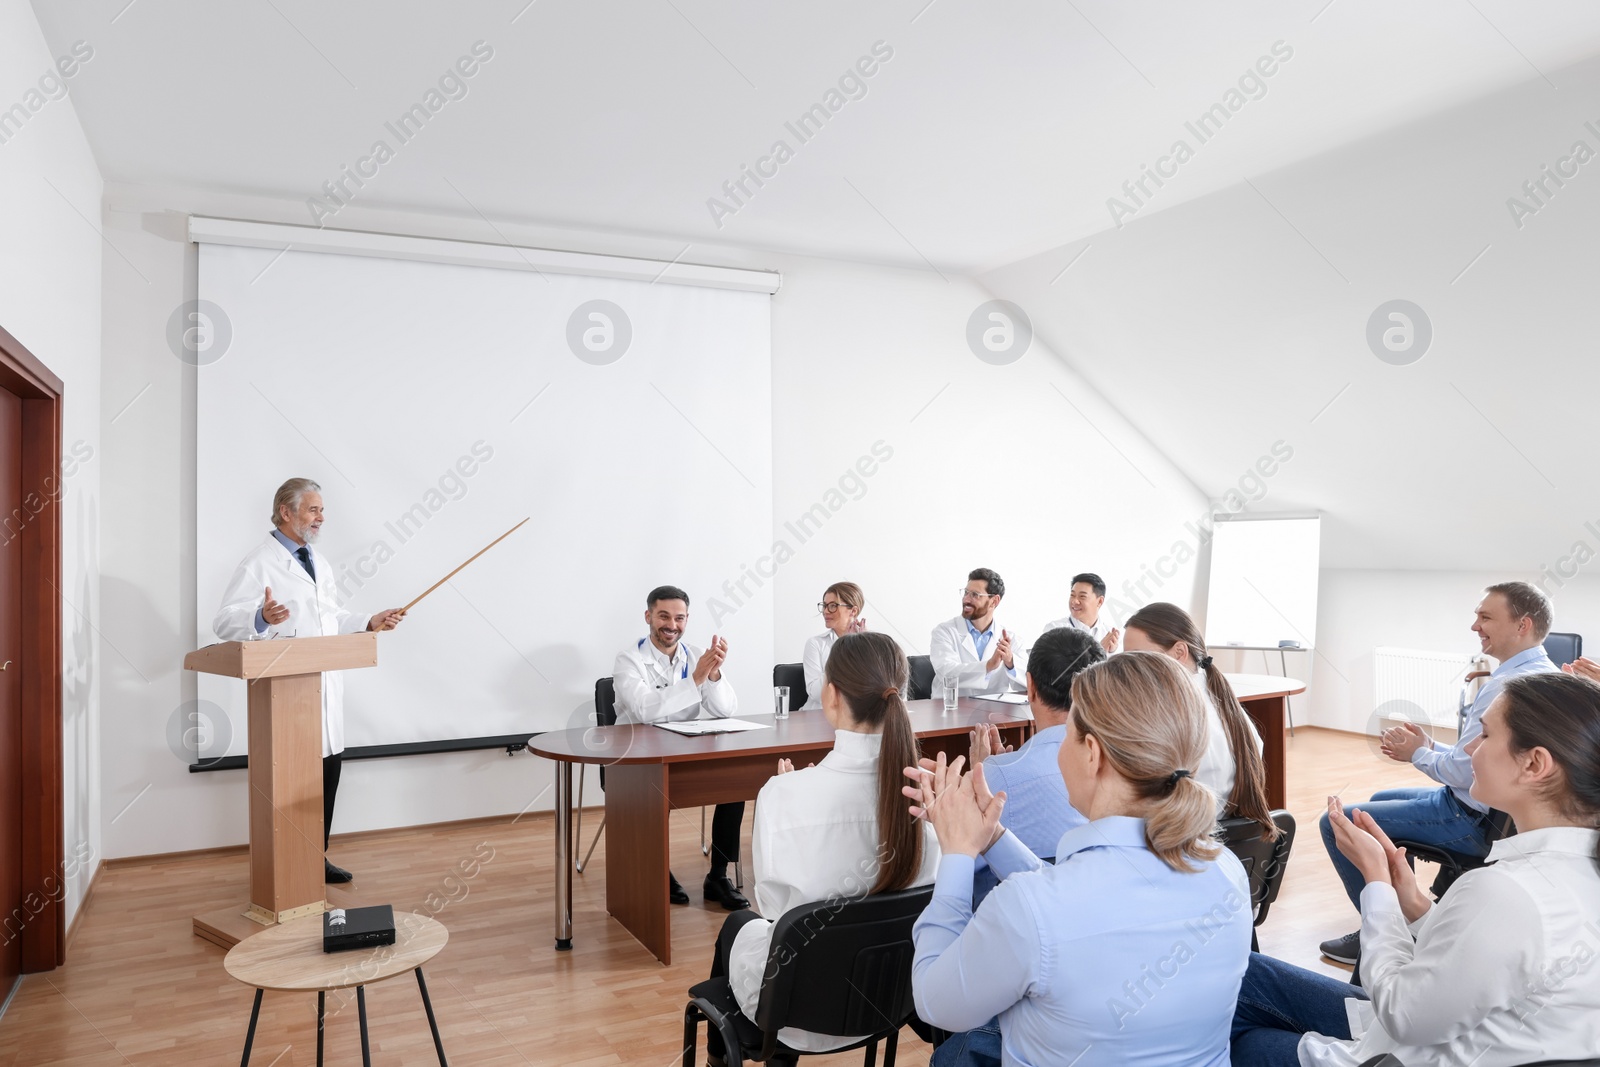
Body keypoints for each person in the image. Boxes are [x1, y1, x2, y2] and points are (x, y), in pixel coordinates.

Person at [1231, 672, 1600, 1066]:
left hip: (1400, 1049)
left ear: (1534, 763)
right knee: (1243, 973)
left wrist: (1378, 887)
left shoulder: (1507, 891)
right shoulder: (1567, 874)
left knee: (1232, 1023)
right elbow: (1492, 960)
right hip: (1443, 1034)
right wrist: (1415, 905)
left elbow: (1403, 1016)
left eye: (1485, 735)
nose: (1471, 747)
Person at [908, 652, 1253, 1067]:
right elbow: (1073, 910)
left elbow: (935, 1001)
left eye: (1066, 733)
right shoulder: (1228, 871)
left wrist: (958, 853)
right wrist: (992, 837)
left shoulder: (1031, 908)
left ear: (1092, 752)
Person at [707, 631, 939, 1054]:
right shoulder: (929, 798)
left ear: (830, 696)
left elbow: (776, 911)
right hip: (892, 1003)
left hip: (795, 1014)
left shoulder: (782, 795)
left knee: (738, 924)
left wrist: (785, 794)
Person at [1314, 581, 1558, 965]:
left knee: (1340, 822)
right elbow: (1475, 755)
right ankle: (1402, 919)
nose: (1475, 626)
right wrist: (1428, 747)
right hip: (1482, 809)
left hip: (1469, 817)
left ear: (1522, 625)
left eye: (1485, 617)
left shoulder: (1506, 687)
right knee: (1377, 803)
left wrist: (1417, 755)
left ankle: (1379, 933)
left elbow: (1463, 772)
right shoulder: (1543, 673)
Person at [213, 478, 407, 884]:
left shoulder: (317, 560)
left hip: (323, 690)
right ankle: (287, 865)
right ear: (287, 512)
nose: (322, 517)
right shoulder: (258, 562)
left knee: (328, 775)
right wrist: (262, 618)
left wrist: (368, 622)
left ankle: (316, 858)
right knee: (293, 781)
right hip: (287, 694)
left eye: (321, 510)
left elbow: (329, 618)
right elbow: (225, 621)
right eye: (313, 509)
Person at [612, 584, 748, 910]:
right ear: (648, 616)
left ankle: (718, 876)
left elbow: (726, 709)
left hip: (684, 751)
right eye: (663, 616)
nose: (671, 625)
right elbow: (644, 709)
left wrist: (712, 675)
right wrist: (696, 680)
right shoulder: (628, 660)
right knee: (656, 793)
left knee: (734, 784)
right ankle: (657, 870)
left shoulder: (695, 655)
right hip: (635, 759)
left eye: (679, 618)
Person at [968, 625, 1106, 903]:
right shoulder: (1127, 770)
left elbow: (965, 861)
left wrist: (980, 780)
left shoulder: (996, 776)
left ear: (1029, 686)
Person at [1123, 603, 1274, 834]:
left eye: (1139, 658)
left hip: (1186, 844)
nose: (1130, 671)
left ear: (1179, 652)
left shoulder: (1173, 716)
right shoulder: (1225, 703)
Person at [930, 568, 1025, 698]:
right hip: (950, 710)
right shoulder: (944, 632)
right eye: (966, 593)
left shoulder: (1011, 639)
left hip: (994, 713)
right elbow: (947, 672)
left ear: (994, 601)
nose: (966, 600)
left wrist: (1010, 662)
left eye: (975, 595)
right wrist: (988, 666)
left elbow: (1029, 681)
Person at [799, 581, 866, 711]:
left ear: (853, 610)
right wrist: (845, 652)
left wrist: (864, 648)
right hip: (817, 718)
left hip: (855, 718)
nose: (825, 611)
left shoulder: (871, 646)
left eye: (833, 606)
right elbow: (817, 694)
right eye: (824, 606)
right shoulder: (816, 644)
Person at [1046, 572, 1121, 652]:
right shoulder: (1054, 630)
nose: (1075, 601)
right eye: (1072, 595)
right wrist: (1100, 651)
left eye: (1082, 596)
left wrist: (1112, 654)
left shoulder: (1111, 636)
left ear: (1100, 601)